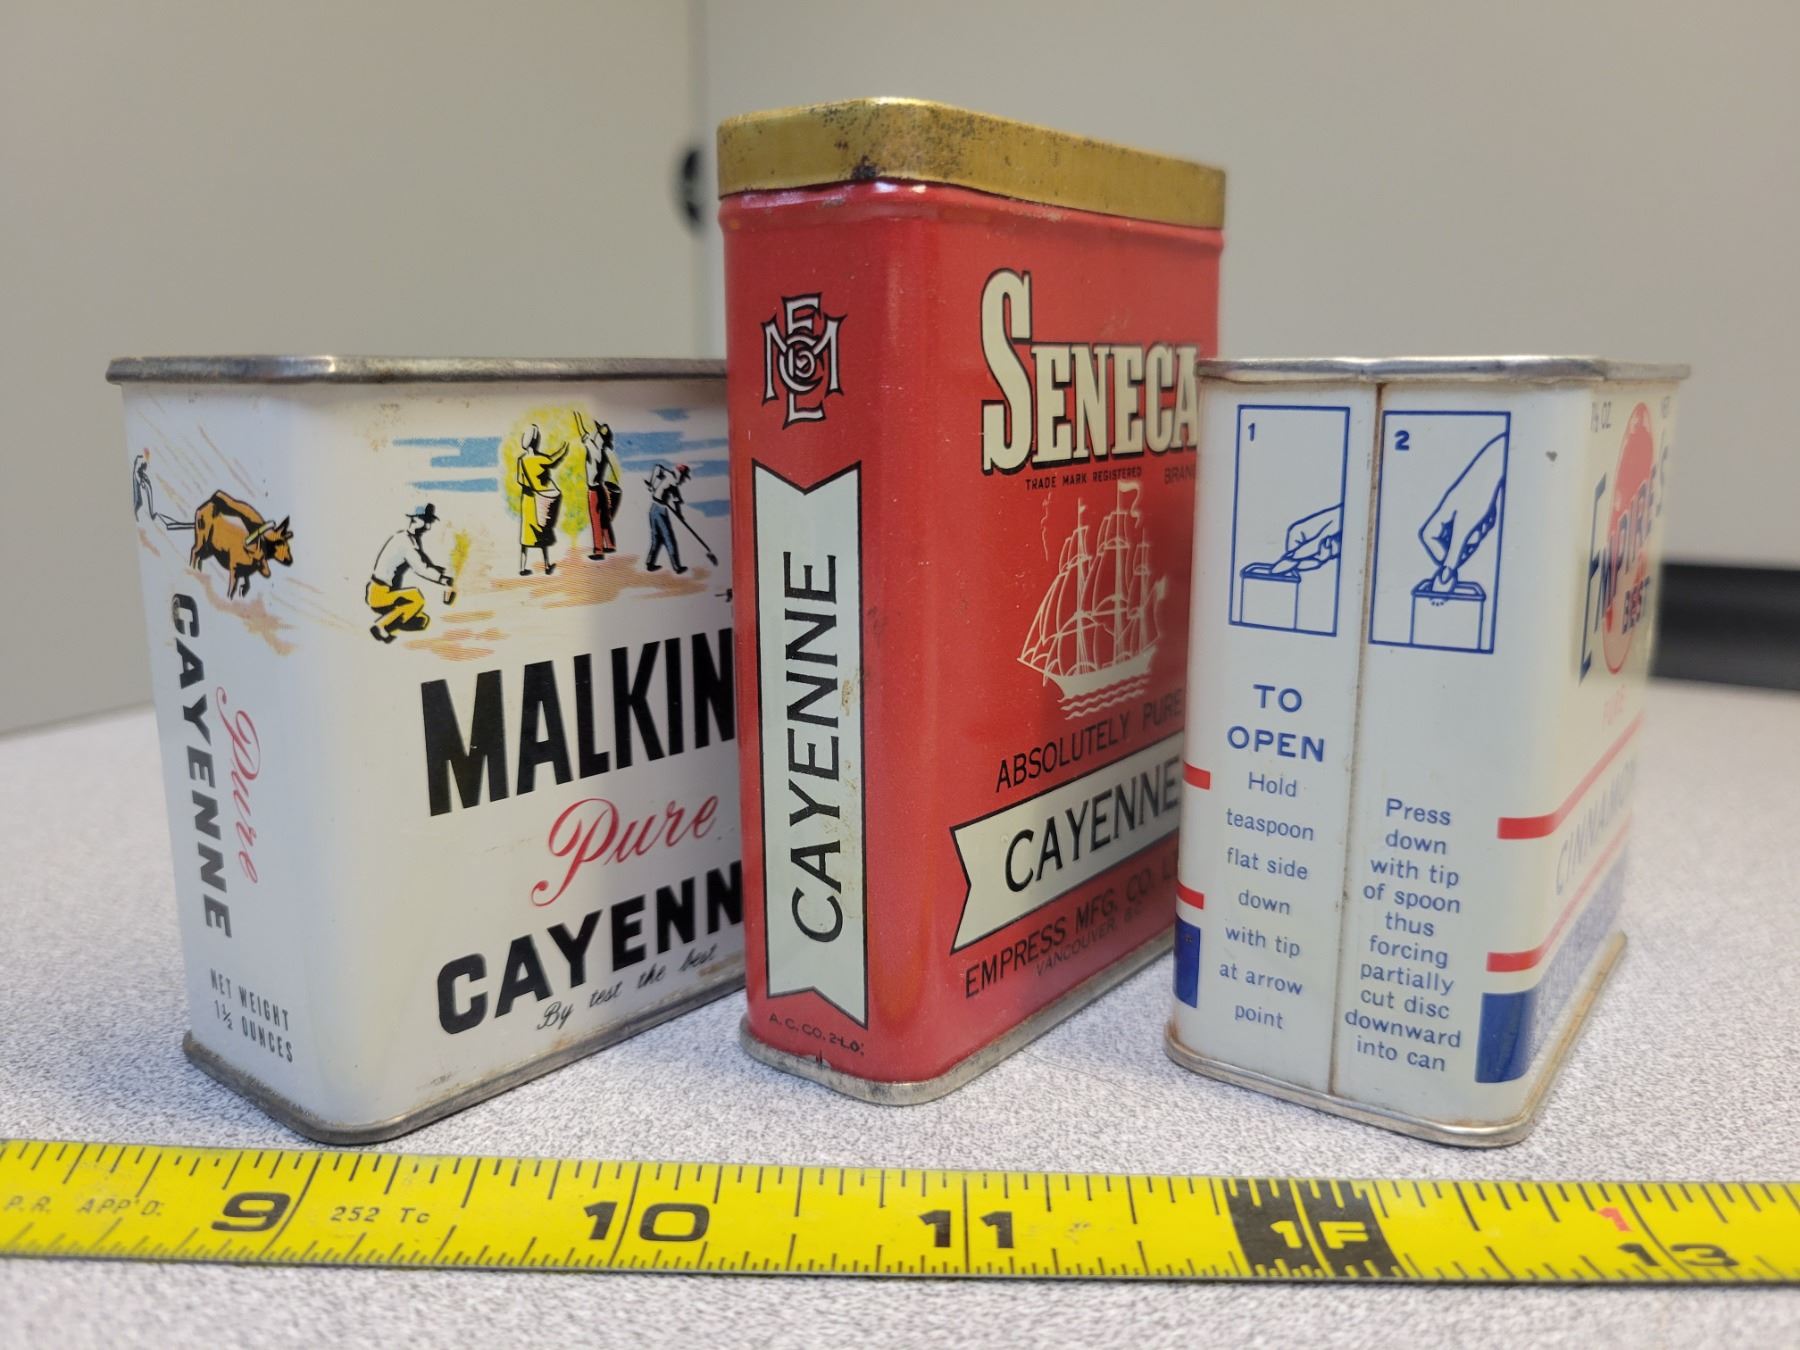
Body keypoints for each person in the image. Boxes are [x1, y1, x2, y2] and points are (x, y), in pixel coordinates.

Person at [367, 503, 454, 644]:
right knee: (416, 598)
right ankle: (381, 626)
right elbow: (421, 568)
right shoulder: (405, 542)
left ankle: (394, 622)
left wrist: (442, 573)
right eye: (425, 521)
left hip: (384, 592)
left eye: (430, 522)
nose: (428, 527)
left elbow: (424, 562)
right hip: (379, 594)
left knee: (422, 620)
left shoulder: (409, 539)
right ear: (415, 519)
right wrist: (443, 579)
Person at [516, 423, 569, 575]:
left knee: (526, 536)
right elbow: (553, 460)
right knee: (542, 534)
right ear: (536, 441)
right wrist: (563, 449)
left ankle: (522, 568)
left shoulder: (522, 460)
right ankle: (546, 566)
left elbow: (520, 480)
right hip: (539, 500)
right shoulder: (539, 459)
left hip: (527, 500)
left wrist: (530, 484)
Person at [581, 419, 622, 560]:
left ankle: (598, 551)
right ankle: (610, 544)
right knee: (604, 519)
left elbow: (585, 437)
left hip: (594, 491)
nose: (595, 434)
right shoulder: (601, 452)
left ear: (601, 438)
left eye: (598, 433)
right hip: (601, 489)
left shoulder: (594, 450)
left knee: (596, 521)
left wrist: (584, 435)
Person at [644, 462, 692, 574]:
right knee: (669, 539)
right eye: (683, 477)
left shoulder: (668, 475)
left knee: (657, 539)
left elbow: (657, 467)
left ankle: (650, 563)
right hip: (660, 511)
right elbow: (676, 501)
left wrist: (651, 483)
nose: (683, 480)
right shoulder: (673, 482)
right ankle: (677, 567)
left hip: (653, 509)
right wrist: (679, 514)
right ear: (679, 474)